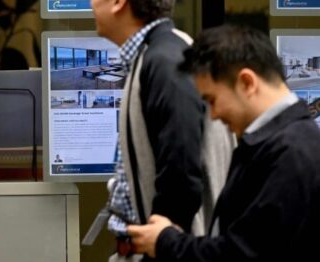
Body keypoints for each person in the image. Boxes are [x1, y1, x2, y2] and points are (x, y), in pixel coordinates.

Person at [90, 0, 233, 260]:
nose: (91, 1)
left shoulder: (165, 62)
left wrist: (165, 243)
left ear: (118, 0)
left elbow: (180, 174)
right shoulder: (156, 54)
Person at [127, 24, 320, 261]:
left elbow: (240, 253)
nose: (214, 115)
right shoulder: (275, 144)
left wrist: (165, 241)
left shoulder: (292, 154)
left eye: (212, 100)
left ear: (247, 83)